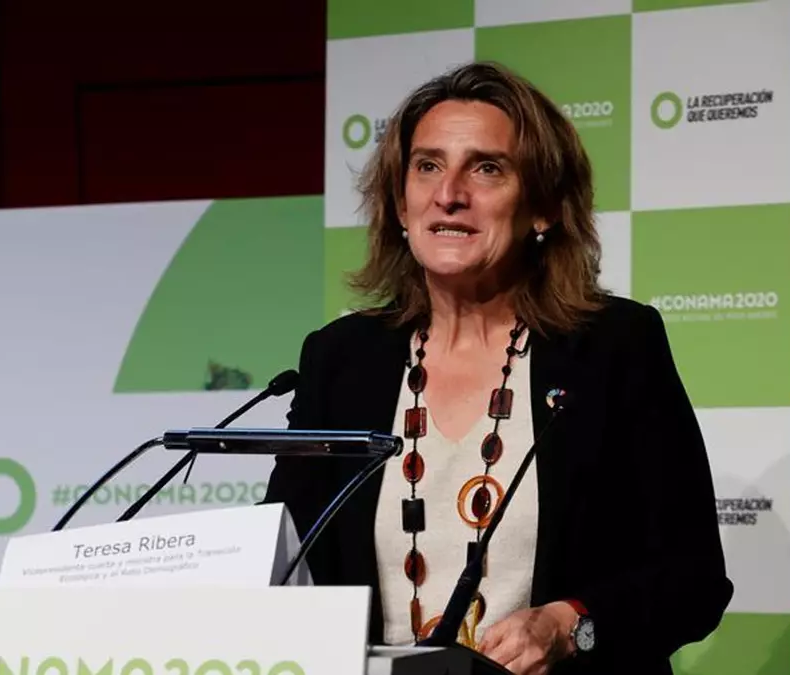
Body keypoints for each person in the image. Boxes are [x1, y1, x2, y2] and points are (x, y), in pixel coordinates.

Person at [261, 61, 732, 675]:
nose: (449, 193)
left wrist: (570, 625)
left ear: (543, 208)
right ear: (400, 205)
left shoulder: (613, 347)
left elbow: (693, 578)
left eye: (486, 168)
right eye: (427, 166)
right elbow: (283, 563)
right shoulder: (341, 358)